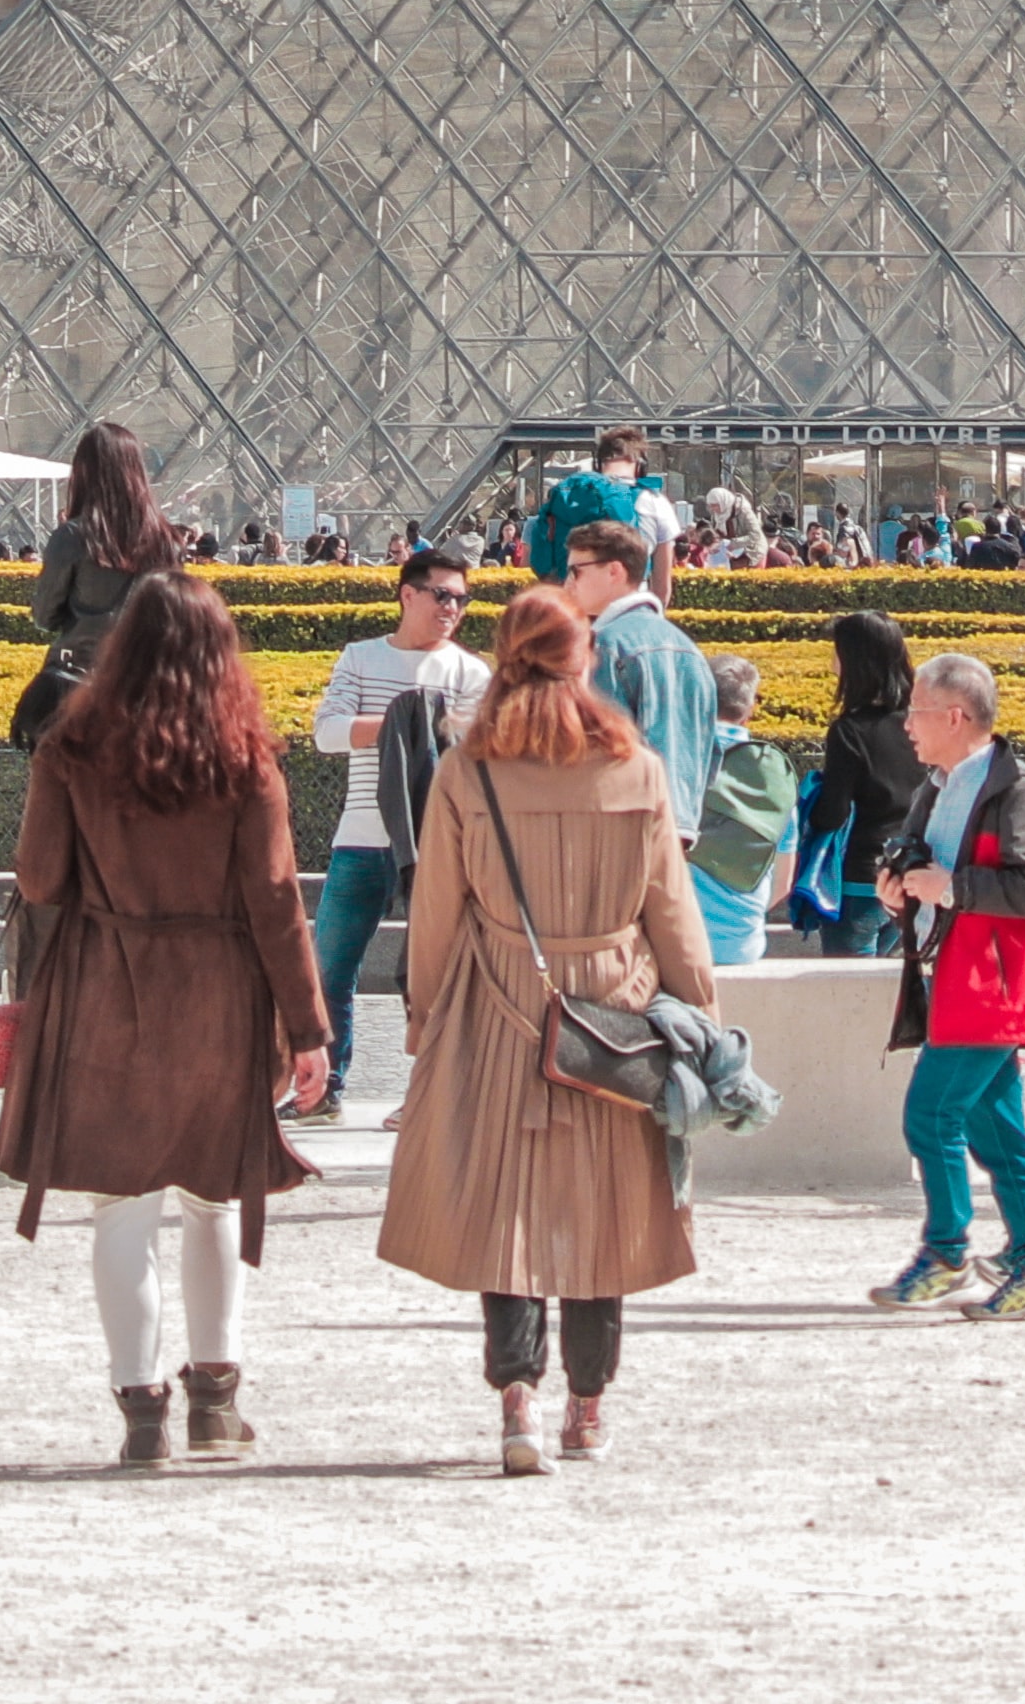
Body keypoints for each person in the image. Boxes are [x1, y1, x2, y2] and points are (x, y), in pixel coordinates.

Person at [376, 589, 716, 1472]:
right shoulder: (636, 769)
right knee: (606, 1208)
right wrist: (701, 1019)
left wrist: (425, 1021)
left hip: (499, 1000)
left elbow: (437, 912)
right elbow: (672, 912)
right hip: (613, 1007)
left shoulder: (469, 768)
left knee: (506, 1208)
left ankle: (517, 1400)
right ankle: (589, 1408)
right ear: (583, 661)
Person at [0, 570, 327, 1469]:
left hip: (106, 985)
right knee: (213, 1198)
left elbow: (39, 880)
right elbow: (274, 900)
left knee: (122, 1207)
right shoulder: (246, 756)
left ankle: (139, 1405)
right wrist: (308, 1027)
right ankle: (215, 1402)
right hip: (220, 993)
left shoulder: (71, 747)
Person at [869, 651, 1025, 1319]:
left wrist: (949, 888)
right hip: (957, 974)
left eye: (917, 712)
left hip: (995, 982)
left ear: (955, 716)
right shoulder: (939, 783)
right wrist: (900, 883)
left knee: (931, 1115)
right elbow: (919, 856)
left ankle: (948, 1251)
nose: (907, 725)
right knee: (996, 1130)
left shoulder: (1020, 790)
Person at [301, 544, 486, 1114]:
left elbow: (480, 753)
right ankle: (323, 1089)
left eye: (461, 598)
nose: (452, 607)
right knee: (330, 969)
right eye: (442, 595)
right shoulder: (360, 657)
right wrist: (406, 725)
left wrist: (411, 731)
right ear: (408, 594)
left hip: (438, 844)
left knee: (433, 974)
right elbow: (327, 733)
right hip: (361, 837)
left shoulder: (470, 671)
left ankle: (430, 1095)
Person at [555, 515, 732, 957]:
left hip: (615, 833)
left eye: (577, 569)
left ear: (615, 571)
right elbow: (712, 753)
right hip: (681, 829)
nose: (567, 581)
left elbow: (592, 752)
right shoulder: (688, 649)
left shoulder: (604, 647)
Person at [19, 424, 178, 743]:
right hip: (145, 688)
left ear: (83, 472)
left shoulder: (73, 536)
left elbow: (44, 616)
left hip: (77, 685)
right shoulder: (167, 541)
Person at [792, 609, 923, 959]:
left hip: (860, 882)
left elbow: (832, 814)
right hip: (910, 876)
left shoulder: (849, 730)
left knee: (846, 998)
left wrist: (808, 808)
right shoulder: (920, 723)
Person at [691, 652, 804, 964]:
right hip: (742, 946)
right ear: (750, 709)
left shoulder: (672, 761)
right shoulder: (772, 776)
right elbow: (781, 883)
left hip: (672, 949)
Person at [521, 427, 654, 590]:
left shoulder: (562, 498)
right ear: (641, 467)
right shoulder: (641, 501)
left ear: (597, 464)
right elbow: (651, 572)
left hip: (566, 588)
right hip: (616, 591)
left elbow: (537, 562)